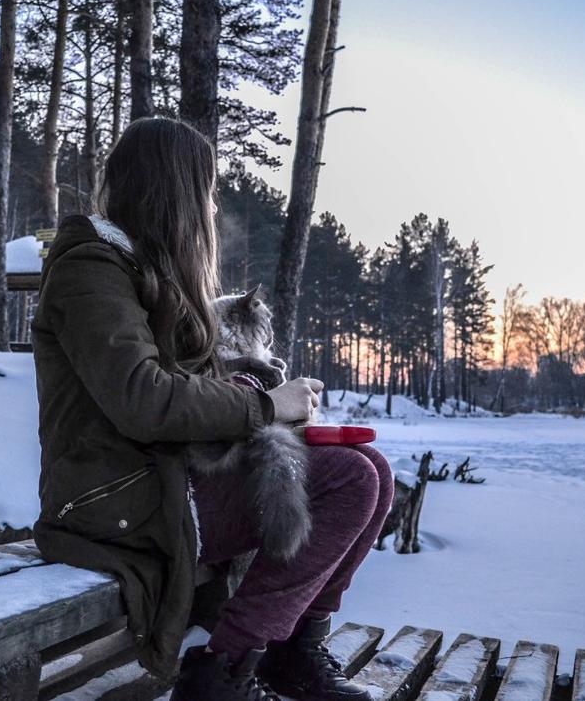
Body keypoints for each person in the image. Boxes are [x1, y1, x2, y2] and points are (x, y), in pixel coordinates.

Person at [30, 117, 394, 701]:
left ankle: (292, 648)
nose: (210, 204)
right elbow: (143, 400)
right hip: (115, 502)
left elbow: (176, 383)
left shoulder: (142, 269)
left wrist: (256, 386)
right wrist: (262, 405)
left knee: (372, 468)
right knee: (349, 480)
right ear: (173, 190)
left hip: (162, 478)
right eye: (205, 189)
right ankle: (222, 673)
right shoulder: (90, 270)